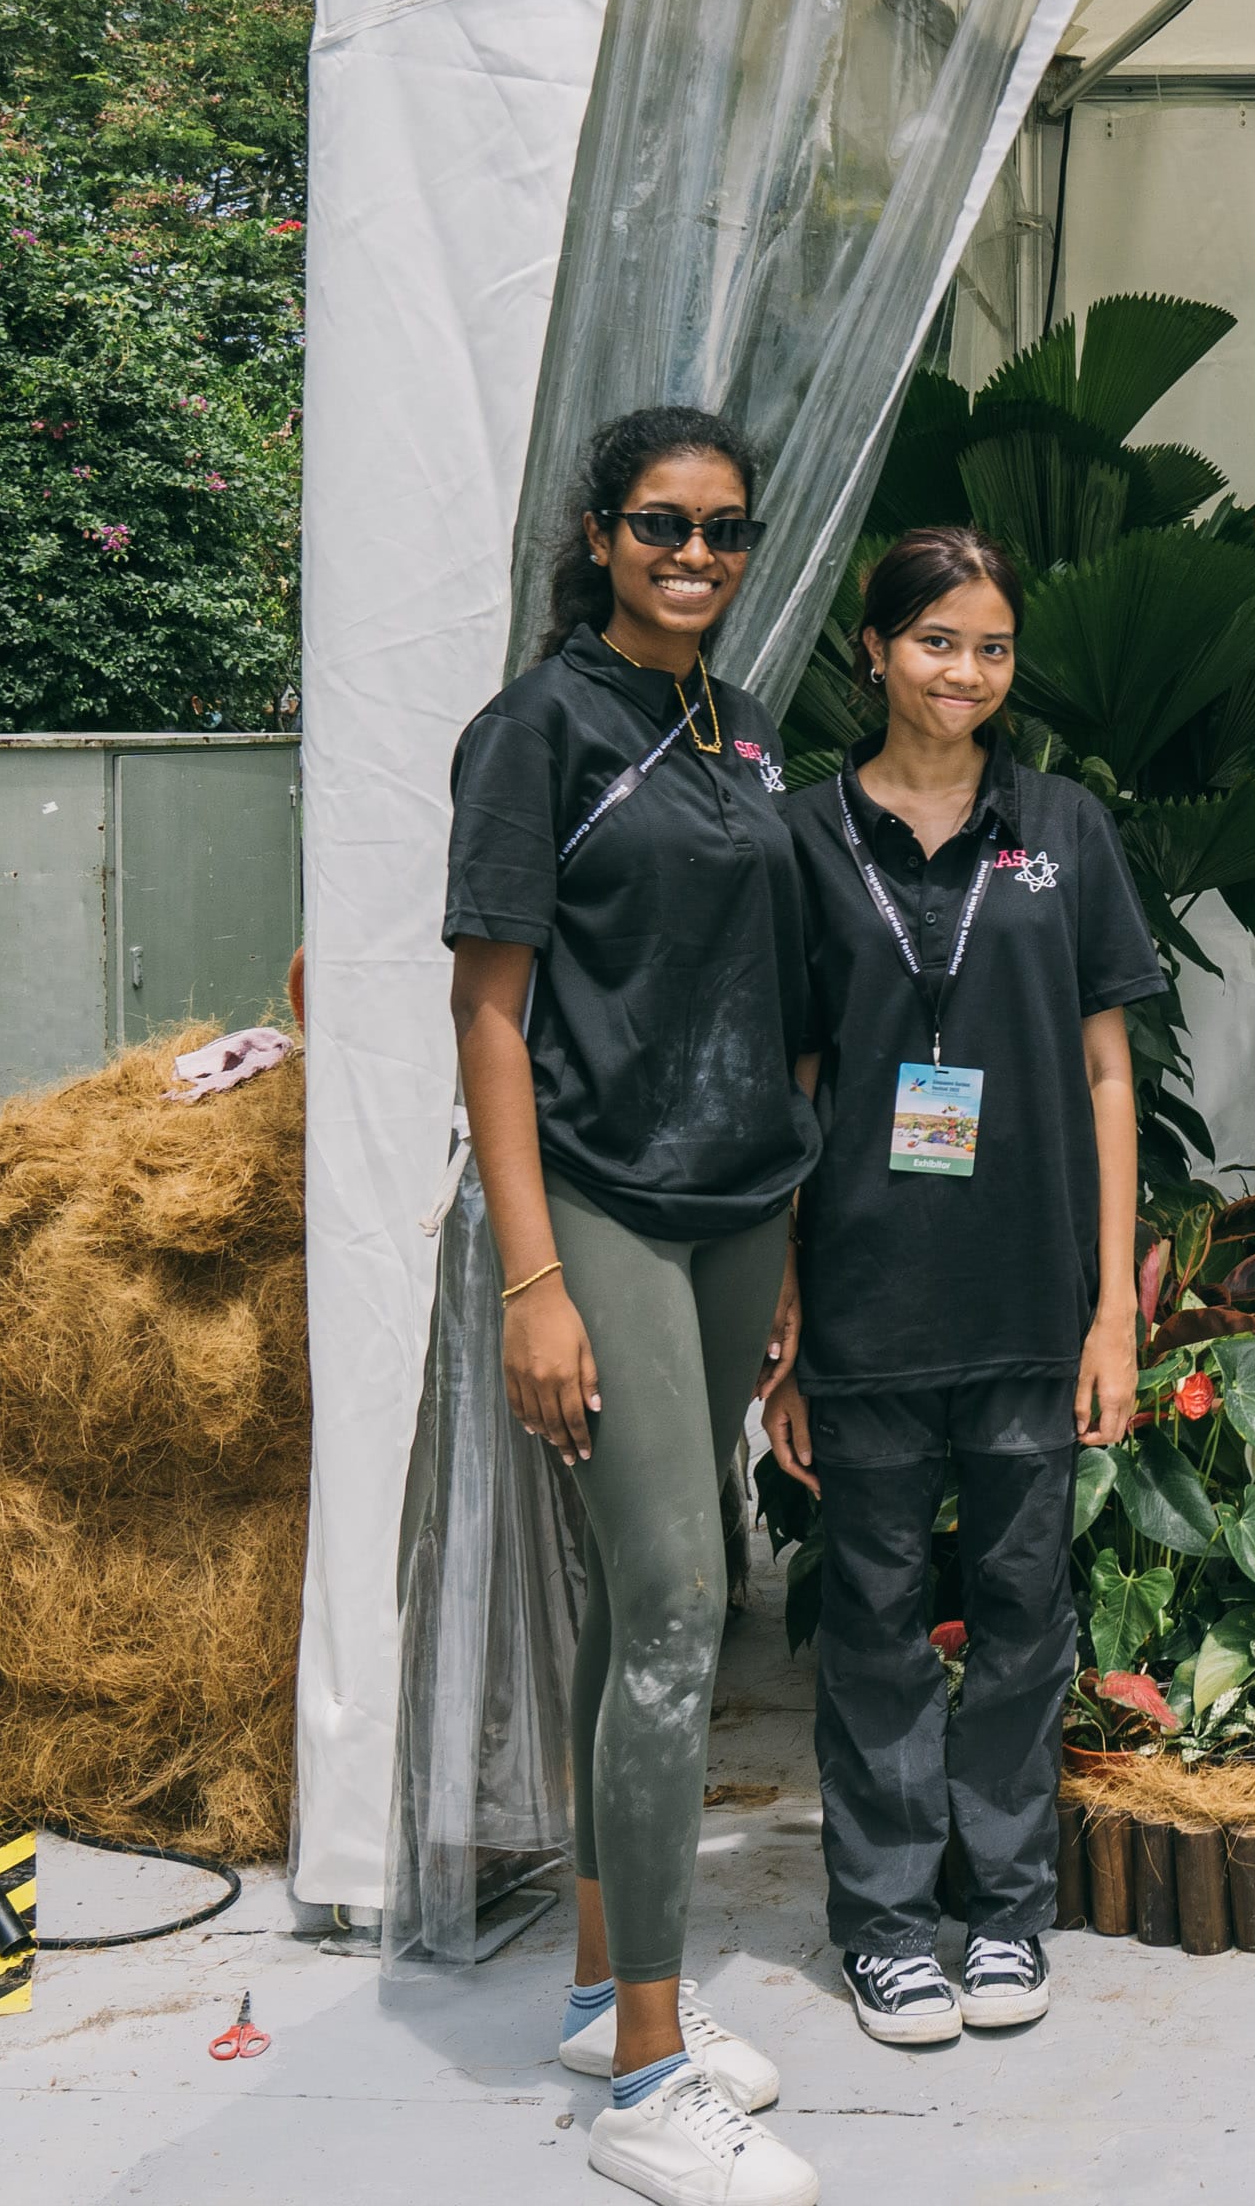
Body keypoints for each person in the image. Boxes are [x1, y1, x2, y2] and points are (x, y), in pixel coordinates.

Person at [447, 406, 821, 2206]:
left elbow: (760, 997)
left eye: (728, 530)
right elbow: (492, 1019)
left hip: (740, 1207)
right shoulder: (535, 731)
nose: (697, 555)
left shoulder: (741, 731)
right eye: (663, 525)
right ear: (598, 535)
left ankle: (609, 1991)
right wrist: (534, 1279)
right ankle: (655, 2084)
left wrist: (791, 1256)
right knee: (685, 1601)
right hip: (600, 1206)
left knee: (632, 1598)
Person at [760, 527, 1164, 2051]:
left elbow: (1108, 1069)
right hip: (862, 1300)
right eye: (937, 641)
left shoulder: (1062, 824)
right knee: (869, 1622)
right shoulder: (805, 837)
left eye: (991, 647)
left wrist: (1113, 1309)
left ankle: (1003, 1915)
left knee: (1020, 1611)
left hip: (1024, 1296)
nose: (966, 673)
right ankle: (881, 1928)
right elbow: (792, 1075)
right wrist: (786, 1311)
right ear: (874, 650)